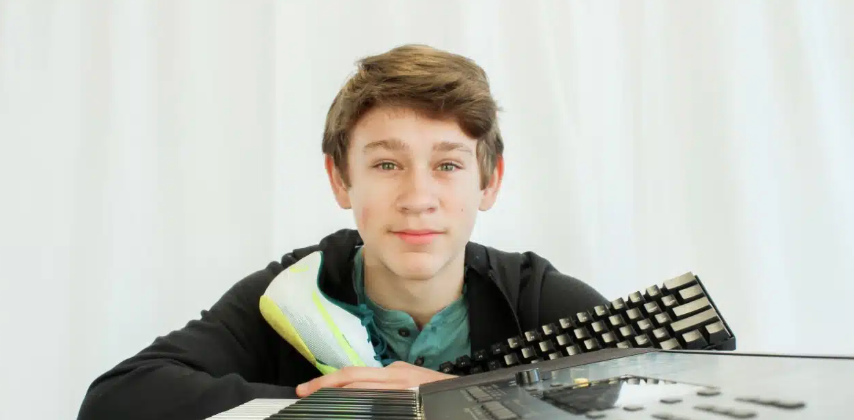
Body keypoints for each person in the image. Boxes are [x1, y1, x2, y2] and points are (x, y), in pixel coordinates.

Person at [76, 44, 608, 420]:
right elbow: (115, 402)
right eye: (386, 165)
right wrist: (357, 408)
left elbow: (651, 391)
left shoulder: (539, 299)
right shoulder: (294, 292)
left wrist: (454, 400)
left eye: (447, 165)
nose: (417, 197)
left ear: (488, 182)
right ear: (340, 179)